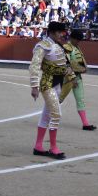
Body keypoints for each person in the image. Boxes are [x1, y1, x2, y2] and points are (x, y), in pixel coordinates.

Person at [29, 21, 75, 160]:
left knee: (46, 116)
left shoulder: (58, 45)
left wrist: (72, 77)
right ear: (53, 32)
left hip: (57, 84)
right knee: (56, 114)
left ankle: (38, 147)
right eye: (60, 32)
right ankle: (53, 148)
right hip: (48, 84)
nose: (62, 34)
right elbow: (35, 65)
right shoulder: (43, 46)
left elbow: (63, 66)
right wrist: (34, 86)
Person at [61, 29, 96, 131]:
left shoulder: (76, 47)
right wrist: (72, 77)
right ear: (72, 38)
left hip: (78, 77)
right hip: (67, 78)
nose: (78, 42)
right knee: (59, 99)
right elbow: (66, 64)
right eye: (77, 40)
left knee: (80, 100)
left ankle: (85, 124)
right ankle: (47, 118)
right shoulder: (66, 47)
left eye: (79, 40)